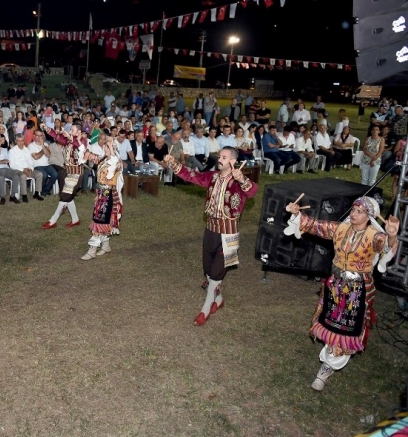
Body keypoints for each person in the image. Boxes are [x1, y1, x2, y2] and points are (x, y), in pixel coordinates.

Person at [283, 197, 398, 391]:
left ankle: (326, 368)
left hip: (356, 289)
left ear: (369, 216)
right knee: (329, 321)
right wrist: (296, 213)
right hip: (335, 285)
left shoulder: (374, 235)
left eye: (360, 212)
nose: (354, 214)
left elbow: (386, 245)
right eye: (353, 210)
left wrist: (392, 235)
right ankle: (329, 354)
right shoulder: (340, 229)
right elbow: (315, 225)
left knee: (345, 328)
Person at [162, 147, 258, 325]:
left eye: (224, 157)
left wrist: (242, 178)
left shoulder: (238, 181)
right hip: (210, 230)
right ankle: (218, 300)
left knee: (215, 274)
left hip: (229, 233)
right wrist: (173, 162)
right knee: (208, 272)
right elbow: (192, 175)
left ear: (233, 161)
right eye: (219, 156)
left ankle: (205, 310)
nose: (219, 159)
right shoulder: (212, 176)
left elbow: (252, 191)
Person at [81, 140, 123, 260]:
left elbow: (114, 162)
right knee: (102, 220)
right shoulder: (103, 159)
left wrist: (111, 149)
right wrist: (79, 142)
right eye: (105, 146)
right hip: (101, 194)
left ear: (114, 149)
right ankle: (106, 245)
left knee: (99, 220)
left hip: (108, 194)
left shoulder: (117, 162)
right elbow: (90, 156)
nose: (105, 149)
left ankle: (92, 250)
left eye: (108, 147)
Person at [42, 122, 86, 229]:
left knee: (64, 196)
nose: (70, 132)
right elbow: (57, 136)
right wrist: (46, 128)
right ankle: (75, 220)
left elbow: (78, 145)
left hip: (76, 173)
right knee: (68, 197)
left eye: (72, 130)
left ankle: (52, 221)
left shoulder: (82, 140)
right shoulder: (68, 141)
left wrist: (69, 136)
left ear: (79, 132)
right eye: (70, 130)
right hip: (69, 172)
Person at [0, 133, 22, 204]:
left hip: (6, 169)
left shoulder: (5, 149)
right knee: (1, 177)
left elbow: (7, 161)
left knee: (16, 176)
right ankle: (2, 197)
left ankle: (12, 196)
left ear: (1, 141)